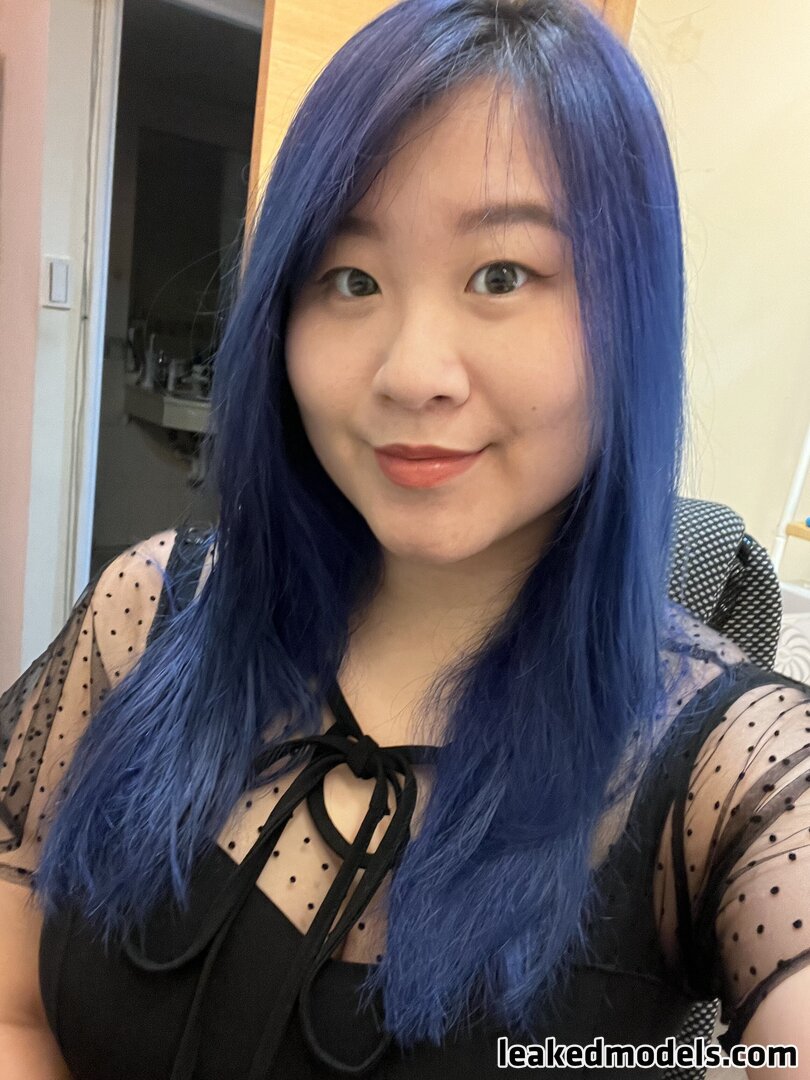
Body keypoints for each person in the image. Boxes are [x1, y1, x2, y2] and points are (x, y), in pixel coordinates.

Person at [1, 0, 809, 1076]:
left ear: (632, 312)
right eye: (352, 280)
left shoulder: (730, 773)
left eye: (502, 276)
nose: (413, 372)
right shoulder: (149, 612)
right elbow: (13, 1007)